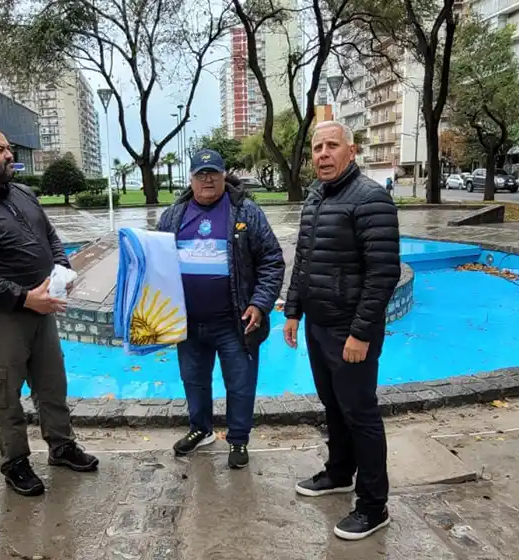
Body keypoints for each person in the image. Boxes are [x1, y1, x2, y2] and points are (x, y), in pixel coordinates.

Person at [0, 127, 98, 497]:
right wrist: (25, 297)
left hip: (41, 309)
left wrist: (63, 272)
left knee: (51, 384)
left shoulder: (24, 194)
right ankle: (15, 462)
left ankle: (61, 447)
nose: (9, 155)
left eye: (9, 148)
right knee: (3, 393)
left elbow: (51, 237)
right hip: (0, 318)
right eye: (0, 150)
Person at [283, 121, 401, 540]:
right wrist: (293, 311)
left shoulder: (371, 199)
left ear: (351, 151)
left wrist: (361, 333)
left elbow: (383, 273)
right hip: (318, 327)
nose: (323, 154)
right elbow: (304, 262)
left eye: (332, 146)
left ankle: (374, 505)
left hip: (350, 333)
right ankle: (338, 472)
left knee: (361, 415)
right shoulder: (315, 197)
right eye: (317, 148)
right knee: (333, 407)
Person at [157, 149, 285, 469]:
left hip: (235, 322)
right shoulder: (174, 215)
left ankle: (238, 440)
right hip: (188, 323)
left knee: (240, 384)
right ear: (191, 178)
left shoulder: (245, 211)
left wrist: (260, 303)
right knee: (194, 380)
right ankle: (200, 429)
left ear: (224, 174)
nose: (208, 179)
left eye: (213, 172)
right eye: (201, 174)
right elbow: (156, 263)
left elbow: (272, 261)